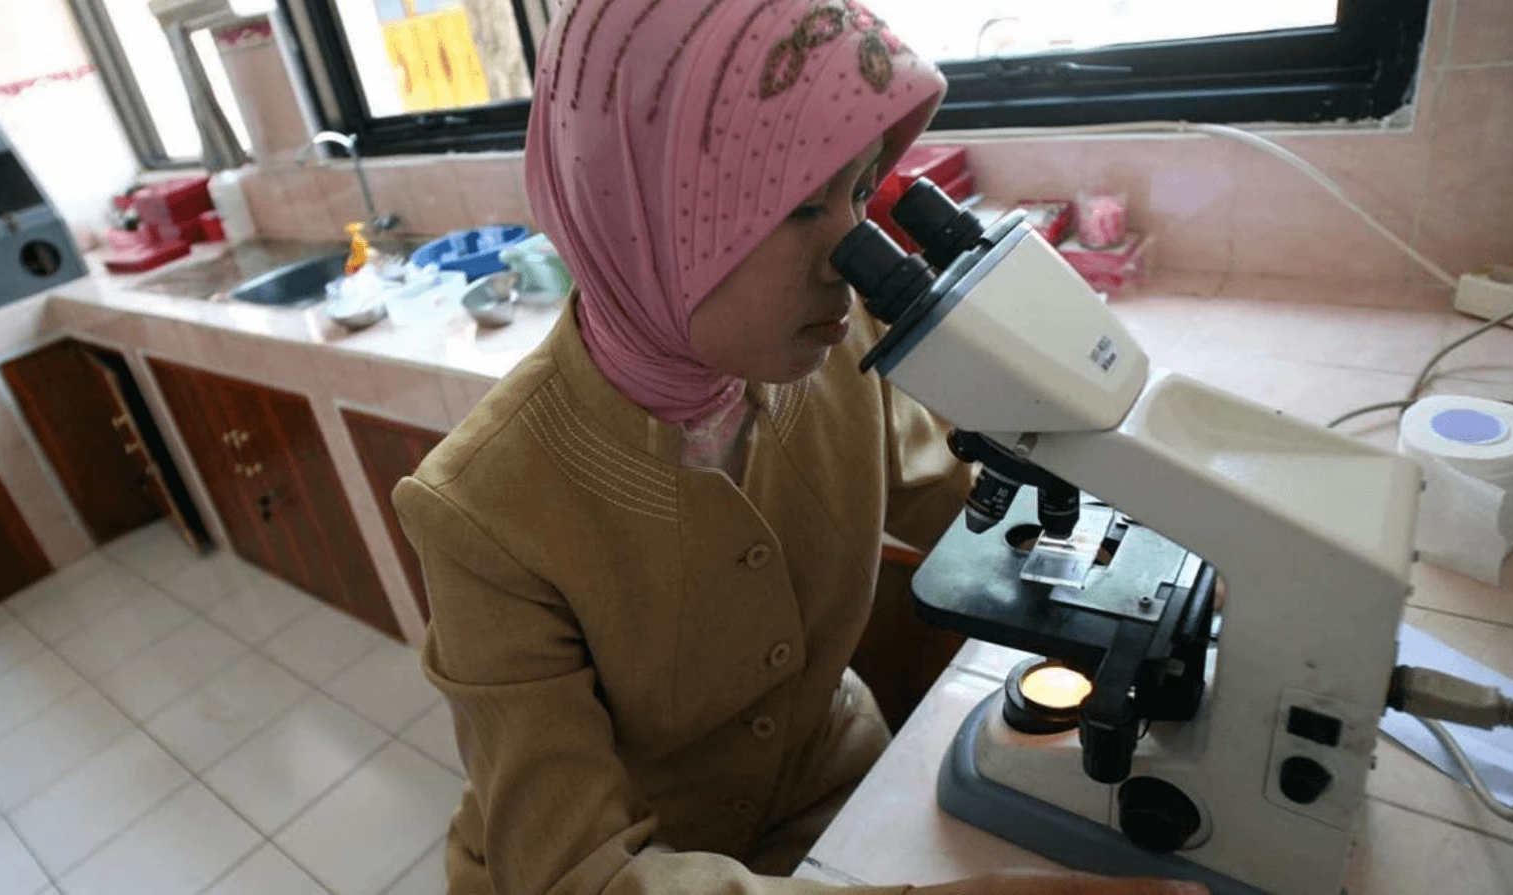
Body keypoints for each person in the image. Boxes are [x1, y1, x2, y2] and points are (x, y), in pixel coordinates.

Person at [393, 1, 1206, 893]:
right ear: (641, 214)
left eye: (860, 192)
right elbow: (577, 869)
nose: (851, 252)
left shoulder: (839, 344)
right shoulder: (479, 510)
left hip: (835, 786)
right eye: (797, 205)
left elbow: (984, 510)